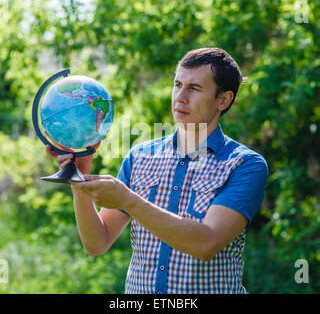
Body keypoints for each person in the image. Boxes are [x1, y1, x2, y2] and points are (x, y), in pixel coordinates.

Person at [46, 47, 268, 294]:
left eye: (194, 88)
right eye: (177, 84)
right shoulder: (140, 157)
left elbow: (207, 242)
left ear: (223, 100)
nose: (180, 97)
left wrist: (127, 200)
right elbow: (97, 243)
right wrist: (79, 178)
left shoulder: (244, 165)